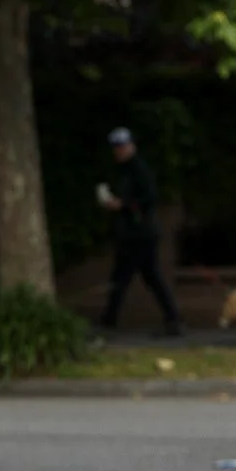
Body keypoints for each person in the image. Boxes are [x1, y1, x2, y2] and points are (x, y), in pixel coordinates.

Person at [97, 127, 182, 334]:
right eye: (116, 147)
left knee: (127, 277)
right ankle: (172, 318)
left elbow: (150, 198)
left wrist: (123, 205)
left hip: (140, 234)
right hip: (131, 233)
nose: (120, 150)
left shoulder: (139, 170)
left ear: (132, 146)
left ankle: (110, 320)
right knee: (143, 276)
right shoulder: (121, 171)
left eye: (123, 146)